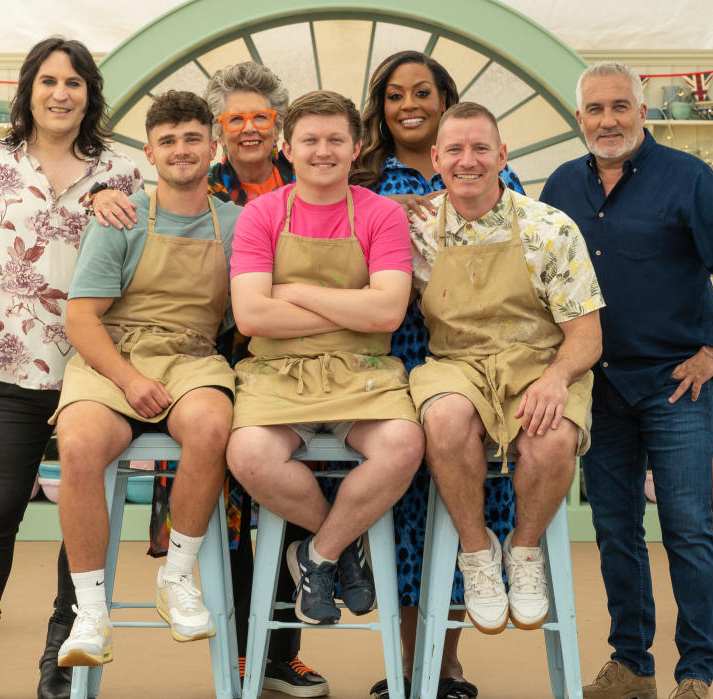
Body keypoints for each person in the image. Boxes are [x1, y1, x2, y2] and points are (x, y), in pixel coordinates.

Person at [92, 62, 331, 697]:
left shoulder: (311, 182)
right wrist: (100, 197)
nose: (249, 129)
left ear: (280, 127)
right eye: (235, 120)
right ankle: (239, 656)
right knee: (227, 522)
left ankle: (280, 651)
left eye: (262, 118)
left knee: (287, 502)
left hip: (289, 364)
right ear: (217, 132)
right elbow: (132, 213)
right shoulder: (199, 183)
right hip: (203, 371)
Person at [540, 61, 713, 699]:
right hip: (601, 387)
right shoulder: (561, 186)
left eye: (620, 107)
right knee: (616, 529)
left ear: (642, 112)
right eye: (595, 109)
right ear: (579, 116)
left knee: (688, 527)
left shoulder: (687, 178)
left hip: (677, 387)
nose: (607, 120)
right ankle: (632, 664)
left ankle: (695, 672)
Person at [0, 36, 142, 699]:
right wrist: (13, 319)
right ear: (29, 89)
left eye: (75, 83)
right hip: (9, 363)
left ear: (90, 95)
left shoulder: (121, 170)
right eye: (49, 81)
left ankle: (60, 653)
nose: (61, 93)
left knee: (78, 509)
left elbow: (136, 271)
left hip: (91, 371)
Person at [350, 50, 527, 699]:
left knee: (468, 504)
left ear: (446, 98)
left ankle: (447, 663)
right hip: (392, 360)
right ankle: (402, 663)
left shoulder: (490, 175)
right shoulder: (364, 178)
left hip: (478, 362)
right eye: (395, 95)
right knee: (404, 516)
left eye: (422, 92)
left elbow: (526, 255)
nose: (408, 105)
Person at [49, 90, 240, 667]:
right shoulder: (122, 216)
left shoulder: (238, 223)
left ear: (214, 146)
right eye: (168, 142)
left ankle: (177, 577)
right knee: (79, 443)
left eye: (192, 139)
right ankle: (91, 613)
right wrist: (129, 380)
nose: (181, 150)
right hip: (115, 355)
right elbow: (81, 317)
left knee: (211, 426)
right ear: (150, 154)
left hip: (192, 356)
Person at [224, 91, 423, 639]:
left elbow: (385, 313)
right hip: (277, 373)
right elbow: (251, 316)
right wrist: (345, 310)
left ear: (356, 147)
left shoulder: (381, 214)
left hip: (364, 371)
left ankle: (317, 554)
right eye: (309, 140)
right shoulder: (261, 214)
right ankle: (343, 548)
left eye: (336, 139)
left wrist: (292, 292)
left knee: (404, 445)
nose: (323, 151)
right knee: (249, 454)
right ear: (287, 147)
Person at [409, 96, 601, 650]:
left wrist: (556, 378)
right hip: (456, 363)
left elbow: (587, 336)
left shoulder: (548, 228)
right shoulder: (418, 230)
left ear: (502, 156)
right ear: (437, 160)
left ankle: (523, 550)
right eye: (455, 150)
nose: (468, 160)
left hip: (539, 361)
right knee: (444, 420)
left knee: (551, 436)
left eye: (480, 148)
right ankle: (476, 553)